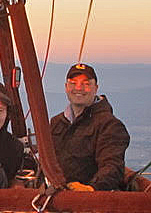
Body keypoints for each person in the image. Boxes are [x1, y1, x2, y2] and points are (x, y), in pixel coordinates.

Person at [49, 62, 130, 191]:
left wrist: (91, 188)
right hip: (56, 196)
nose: (79, 88)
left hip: (88, 204)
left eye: (86, 84)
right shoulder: (57, 122)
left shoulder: (109, 125)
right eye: (73, 83)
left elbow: (112, 166)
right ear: (66, 87)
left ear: (95, 88)